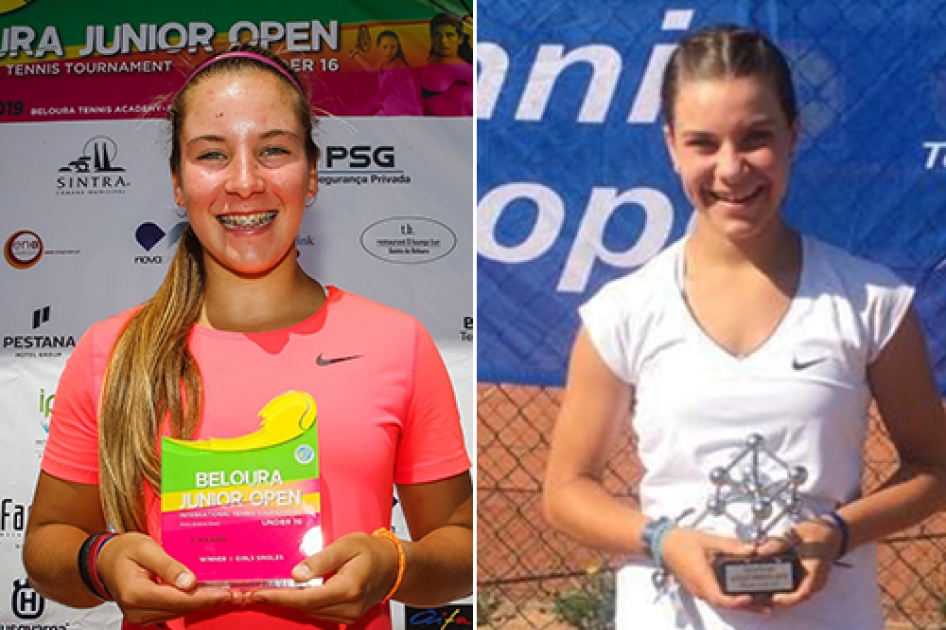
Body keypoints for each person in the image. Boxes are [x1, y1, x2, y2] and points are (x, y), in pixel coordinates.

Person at [23, 44, 473, 630]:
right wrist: (100, 561)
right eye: (212, 155)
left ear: (311, 174)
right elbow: (45, 547)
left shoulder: (399, 343)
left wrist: (392, 565)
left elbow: (463, 552)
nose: (244, 182)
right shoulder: (111, 350)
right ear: (179, 185)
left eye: (274, 151)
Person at [543, 24, 946, 630]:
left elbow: (932, 468)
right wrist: (664, 541)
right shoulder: (622, 310)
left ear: (793, 137)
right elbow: (567, 489)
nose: (731, 169)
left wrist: (837, 532)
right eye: (703, 143)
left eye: (756, 138)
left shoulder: (871, 302)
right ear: (672, 146)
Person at [348, 30, 422, 117]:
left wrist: (364, 109)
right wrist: (355, 55)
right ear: (378, 47)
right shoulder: (383, 63)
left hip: (406, 114)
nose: (388, 51)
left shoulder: (397, 63)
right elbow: (371, 69)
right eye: (385, 47)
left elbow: (386, 89)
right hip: (390, 112)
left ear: (398, 48)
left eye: (393, 47)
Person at [418, 14, 473, 117]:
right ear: (432, 38)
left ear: (460, 38)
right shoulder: (445, 63)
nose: (443, 41)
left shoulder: (454, 65)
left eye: (449, 35)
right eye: (438, 35)